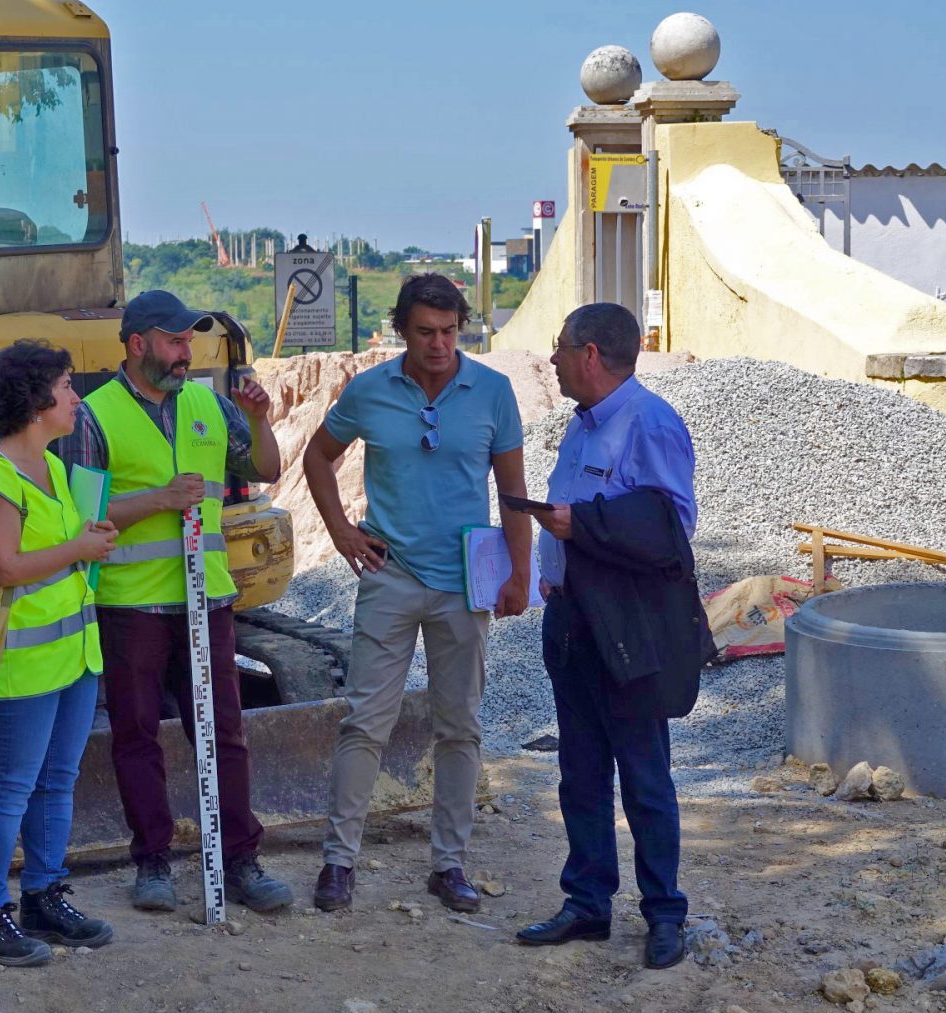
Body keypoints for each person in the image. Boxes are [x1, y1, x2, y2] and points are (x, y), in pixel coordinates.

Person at [301, 273, 531, 914]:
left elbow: (513, 491)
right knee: (365, 722)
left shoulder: (493, 391)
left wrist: (519, 573)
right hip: (390, 575)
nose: (439, 344)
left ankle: (449, 864)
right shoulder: (370, 391)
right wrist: (342, 532)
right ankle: (339, 862)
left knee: (459, 727)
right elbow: (318, 457)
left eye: (450, 331)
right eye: (426, 332)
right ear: (402, 330)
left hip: (465, 581)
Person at [65, 289, 294, 913]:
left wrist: (261, 419)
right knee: (136, 735)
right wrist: (159, 501)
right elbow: (83, 518)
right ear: (137, 344)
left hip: (208, 602)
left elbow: (268, 468)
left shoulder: (208, 405)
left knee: (223, 732)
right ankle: (153, 864)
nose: (184, 352)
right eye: (173, 340)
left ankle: (242, 861)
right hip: (132, 605)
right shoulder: (93, 416)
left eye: (188, 340)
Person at [514, 303, 713, 970]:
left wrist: (583, 526)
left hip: (627, 628)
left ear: (591, 354)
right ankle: (587, 904)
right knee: (581, 775)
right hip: (573, 620)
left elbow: (668, 528)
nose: (552, 360)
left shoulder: (649, 422)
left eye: (560, 348)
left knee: (645, 779)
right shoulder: (583, 425)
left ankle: (664, 915)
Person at [0, 340, 120, 968]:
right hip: (24, 664)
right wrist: (81, 548)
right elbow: (6, 568)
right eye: (66, 385)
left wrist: (89, 539)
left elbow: (61, 549)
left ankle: (44, 896)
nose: (75, 397)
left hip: (75, 658)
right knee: (9, 789)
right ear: (35, 401)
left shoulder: (51, 469)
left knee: (56, 781)